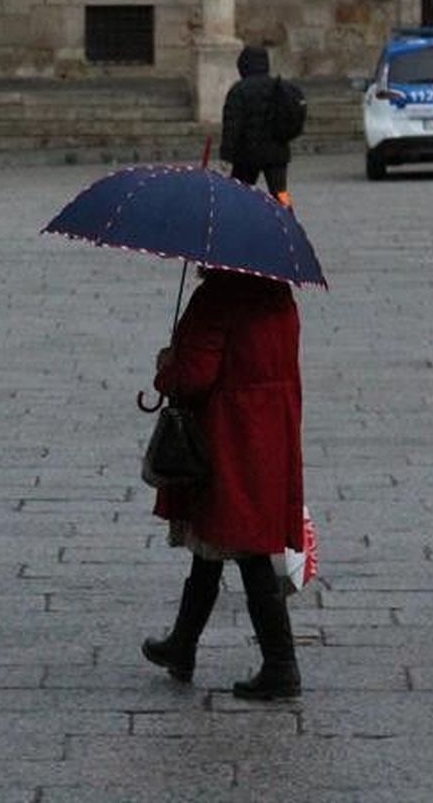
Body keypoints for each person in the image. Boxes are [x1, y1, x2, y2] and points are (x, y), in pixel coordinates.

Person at [142, 268, 305, 701]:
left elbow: (194, 376)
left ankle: (281, 663)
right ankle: (183, 644)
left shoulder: (217, 296)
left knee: (247, 547)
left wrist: (166, 370)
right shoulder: (279, 294)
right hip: (270, 429)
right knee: (212, 543)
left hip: (228, 433)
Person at [221, 45, 306, 208]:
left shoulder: (239, 90)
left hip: (247, 154)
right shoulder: (280, 87)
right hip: (277, 151)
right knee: (280, 192)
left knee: (241, 192)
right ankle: (287, 215)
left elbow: (232, 125)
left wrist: (227, 155)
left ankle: (242, 217)